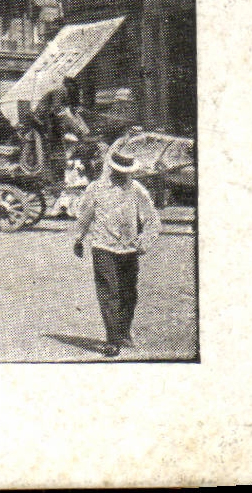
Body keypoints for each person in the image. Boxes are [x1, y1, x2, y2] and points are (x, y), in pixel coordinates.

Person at [72, 145, 161, 357]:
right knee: (109, 292)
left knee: (128, 293)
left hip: (129, 249)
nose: (123, 175)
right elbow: (85, 215)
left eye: (127, 172)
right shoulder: (96, 188)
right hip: (103, 246)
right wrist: (79, 238)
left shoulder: (138, 190)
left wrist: (145, 240)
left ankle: (123, 331)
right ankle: (112, 340)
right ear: (112, 168)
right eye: (120, 171)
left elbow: (153, 220)